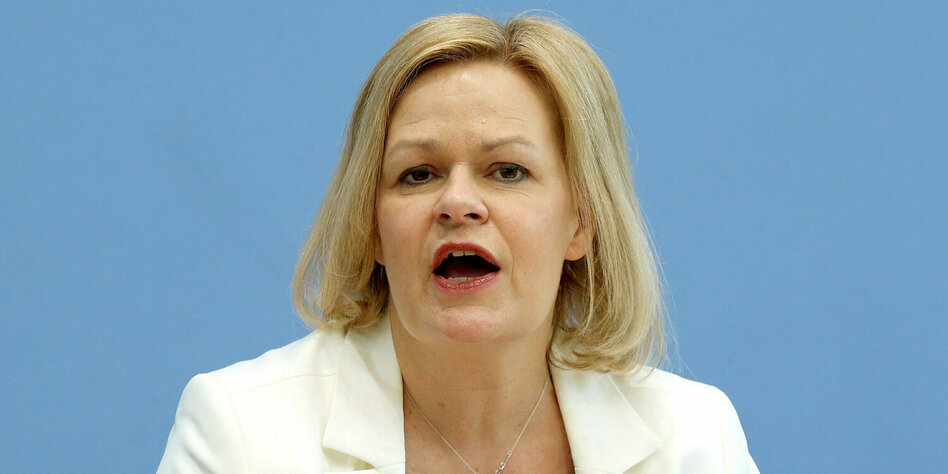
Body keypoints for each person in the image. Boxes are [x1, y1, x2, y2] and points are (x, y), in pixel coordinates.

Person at [158, 13, 758, 473]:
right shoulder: (241, 432)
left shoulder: (694, 438)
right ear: (372, 227)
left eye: (508, 171)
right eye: (418, 174)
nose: (458, 202)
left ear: (581, 221)